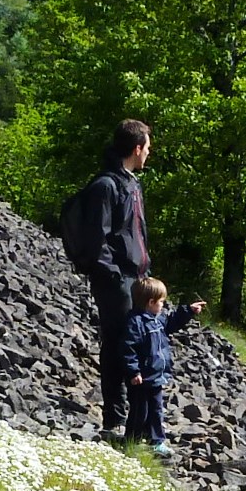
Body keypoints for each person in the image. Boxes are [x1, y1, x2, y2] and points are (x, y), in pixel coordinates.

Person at [75, 120, 153, 441]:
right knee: (117, 346)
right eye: (147, 148)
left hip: (137, 279)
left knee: (136, 345)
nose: (148, 154)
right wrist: (116, 277)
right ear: (136, 149)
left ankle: (136, 422)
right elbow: (97, 241)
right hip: (117, 282)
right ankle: (114, 420)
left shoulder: (132, 185)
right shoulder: (105, 186)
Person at [121, 277, 205, 455]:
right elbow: (129, 349)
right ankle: (131, 441)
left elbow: (172, 322)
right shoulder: (135, 322)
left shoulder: (157, 319)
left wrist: (188, 311)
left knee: (156, 410)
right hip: (141, 378)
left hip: (156, 376)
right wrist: (133, 371)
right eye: (161, 302)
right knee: (139, 411)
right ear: (151, 302)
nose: (163, 306)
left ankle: (156, 441)